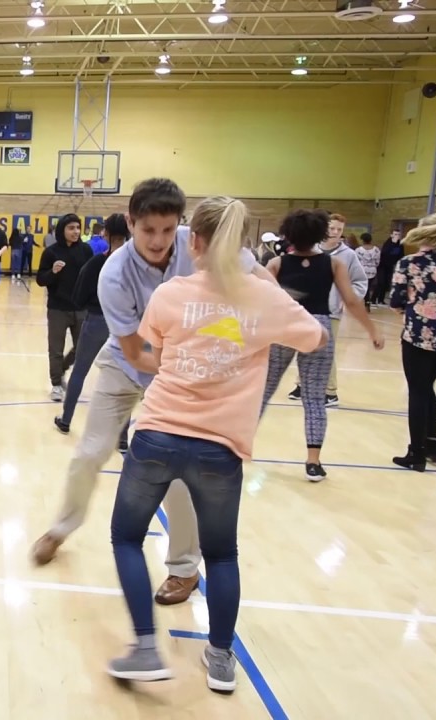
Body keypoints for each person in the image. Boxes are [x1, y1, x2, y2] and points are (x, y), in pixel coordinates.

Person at [105, 196, 329, 692]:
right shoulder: (263, 296)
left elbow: (152, 354)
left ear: (195, 242)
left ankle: (145, 647)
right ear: (247, 245)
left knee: (125, 537)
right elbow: (315, 338)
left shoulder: (171, 293)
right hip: (220, 447)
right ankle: (221, 658)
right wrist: (270, 293)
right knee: (221, 555)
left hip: (159, 432)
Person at [31, 178, 275, 607]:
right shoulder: (114, 274)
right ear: (131, 223)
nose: (159, 240)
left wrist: (268, 314)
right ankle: (62, 527)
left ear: (180, 225)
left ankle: (183, 570)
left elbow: (257, 278)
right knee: (90, 451)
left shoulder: (200, 244)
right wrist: (185, 371)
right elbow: (133, 349)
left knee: (181, 470)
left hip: (186, 376)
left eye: (168, 230)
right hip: (132, 366)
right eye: (148, 231)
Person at [259, 209, 384, 482]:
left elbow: (259, 299)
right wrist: (372, 329)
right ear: (320, 234)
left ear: (288, 235)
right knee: (314, 398)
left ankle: (235, 447)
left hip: (285, 327)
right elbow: (352, 300)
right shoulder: (333, 264)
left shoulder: (277, 263)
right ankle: (313, 462)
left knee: (262, 391)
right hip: (318, 329)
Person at [387, 214, 436, 472]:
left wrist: (410, 309)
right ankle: (432, 443)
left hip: (420, 334)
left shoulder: (409, 263)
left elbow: (396, 300)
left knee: (418, 391)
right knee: (426, 386)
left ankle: (416, 453)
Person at [55, 213, 128, 434]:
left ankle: (66, 420)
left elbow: (78, 296)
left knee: (80, 371)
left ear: (105, 233)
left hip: (97, 319)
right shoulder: (136, 262)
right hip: (125, 324)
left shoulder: (98, 262)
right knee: (124, 378)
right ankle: (123, 437)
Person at [288, 213, 366, 407]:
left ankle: (330, 392)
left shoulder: (349, 255)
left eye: (339, 230)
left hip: (331, 311)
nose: (335, 233)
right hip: (306, 310)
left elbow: (360, 282)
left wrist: (346, 298)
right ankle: (301, 385)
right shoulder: (310, 250)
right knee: (305, 347)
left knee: (326, 352)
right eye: (332, 228)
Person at [37, 213, 94, 401]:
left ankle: (62, 368)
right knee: (55, 349)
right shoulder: (51, 252)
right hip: (57, 309)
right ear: (62, 230)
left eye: (78, 227)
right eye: (71, 228)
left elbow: (91, 278)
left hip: (81, 308)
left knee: (82, 348)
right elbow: (40, 280)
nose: (76, 231)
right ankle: (55, 384)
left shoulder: (86, 250)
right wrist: (52, 272)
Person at [372, 229, 405, 305]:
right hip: (382, 266)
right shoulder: (388, 243)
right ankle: (373, 299)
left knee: (386, 283)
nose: (397, 236)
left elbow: (401, 255)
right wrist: (393, 243)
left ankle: (381, 300)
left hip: (390, 266)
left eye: (398, 234)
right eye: (395, 234)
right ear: (392, 235)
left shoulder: (400, 245)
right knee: (381, 282)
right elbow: (384, 253)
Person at [356, 232, 381, 308]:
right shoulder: (376, 250)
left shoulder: (358, 250)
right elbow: (377, 261)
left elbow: (356, 261)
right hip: (372, 270)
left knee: (363, 287)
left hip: (362, 270)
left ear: (362, 240)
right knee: (369, 287)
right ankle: (367, 302)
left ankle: (366, 302)